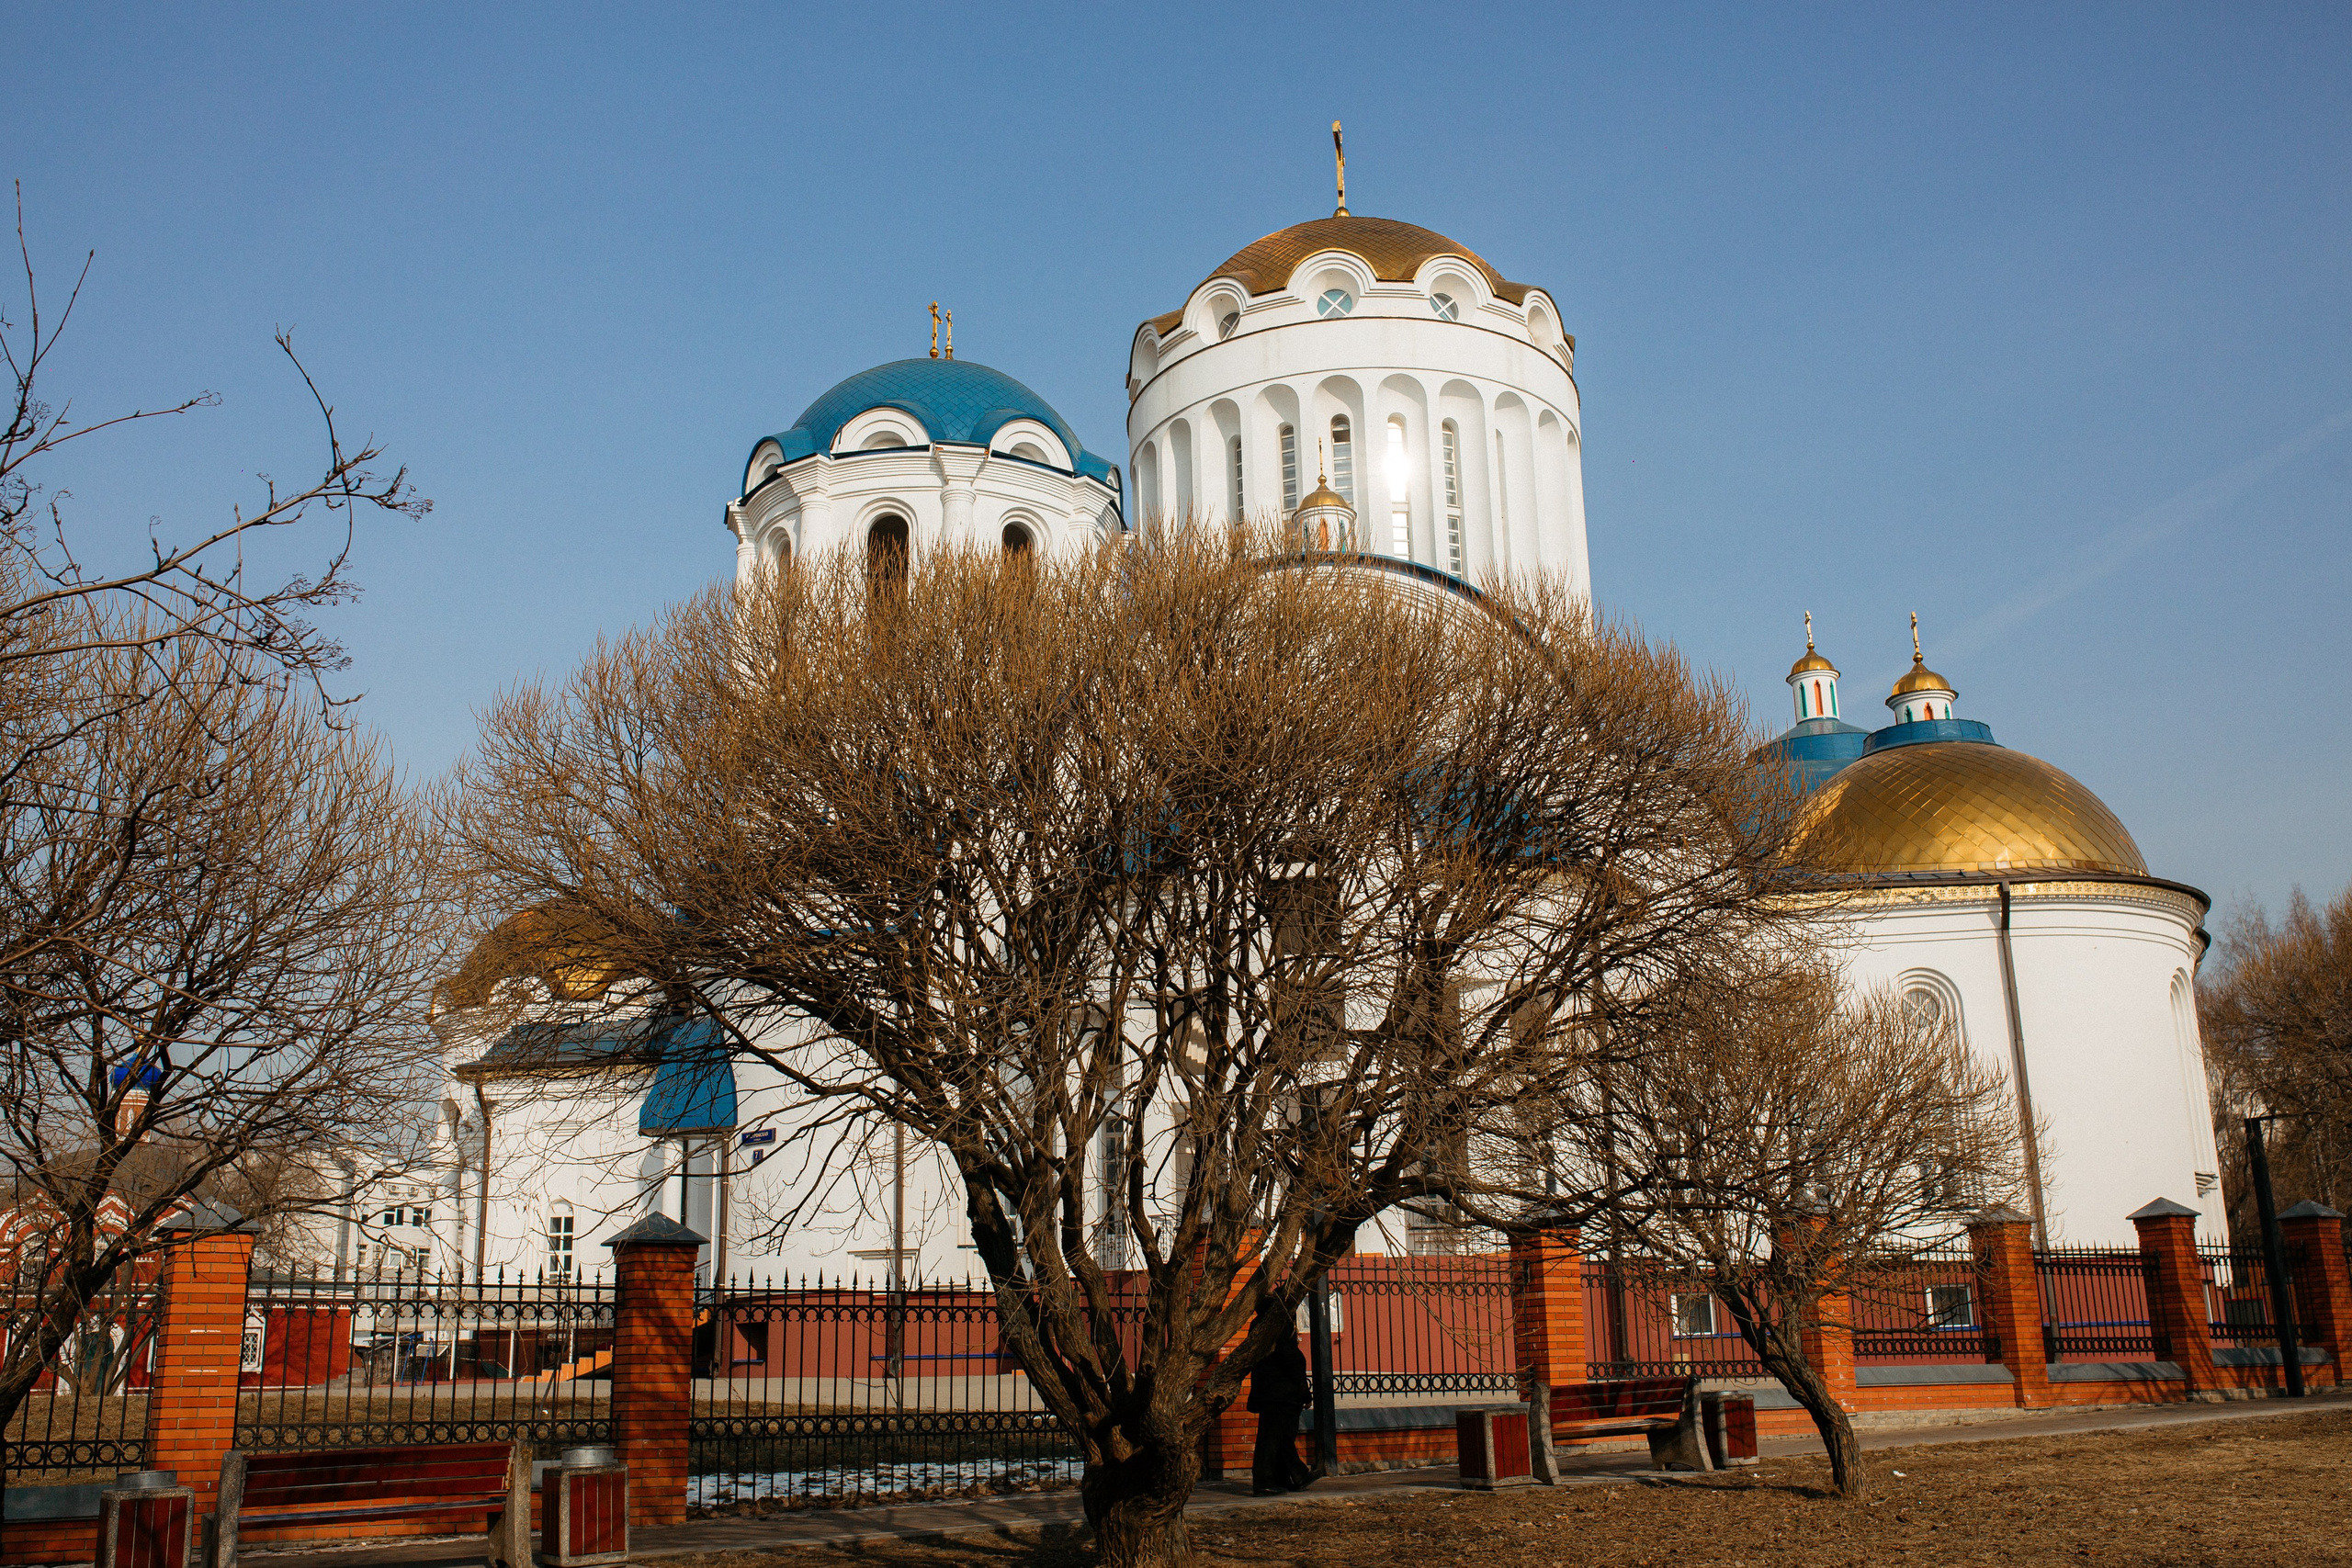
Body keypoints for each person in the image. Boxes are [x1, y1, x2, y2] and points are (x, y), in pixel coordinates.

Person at [1246, 1307, 1317, 1495]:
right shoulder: (1279, 1322)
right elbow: (1289, 1357)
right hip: (1281, 1391)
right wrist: (1302, 1388)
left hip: (1270, 1389)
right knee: (1272, 1439)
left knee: (1278, 1437)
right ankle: (1267, 1481)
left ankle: (1287, 1477)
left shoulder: (1260, 1322)